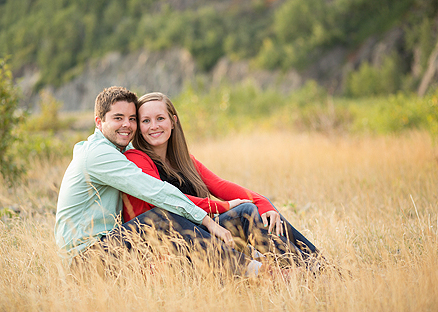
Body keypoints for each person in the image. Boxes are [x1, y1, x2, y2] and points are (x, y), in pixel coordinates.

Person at [54, 86, 255, 275]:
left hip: (109, 246)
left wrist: (254, 204)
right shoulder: (99, 154)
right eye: (118, 118)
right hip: (84, 260)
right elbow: (156, 191)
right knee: (159, 218)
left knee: (239, 215)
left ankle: (262, 263)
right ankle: (254, 271)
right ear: (99, 122)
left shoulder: (119, 150)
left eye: (132, 118)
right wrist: (208, 220)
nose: (127, 125)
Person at [122, 92, 323, 271]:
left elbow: (220, 185)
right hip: (174, 243)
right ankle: (307, 270)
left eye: (160, 118)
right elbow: (169, 199)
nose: (154, 126)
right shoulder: (136, 158)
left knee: (259, 213)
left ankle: (317, 266)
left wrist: (264, 204)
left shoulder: (183, 159)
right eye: (146, 121)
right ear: (139, 126)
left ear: (173, 121)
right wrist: (221, 206)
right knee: (246, 213)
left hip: (203, 232)